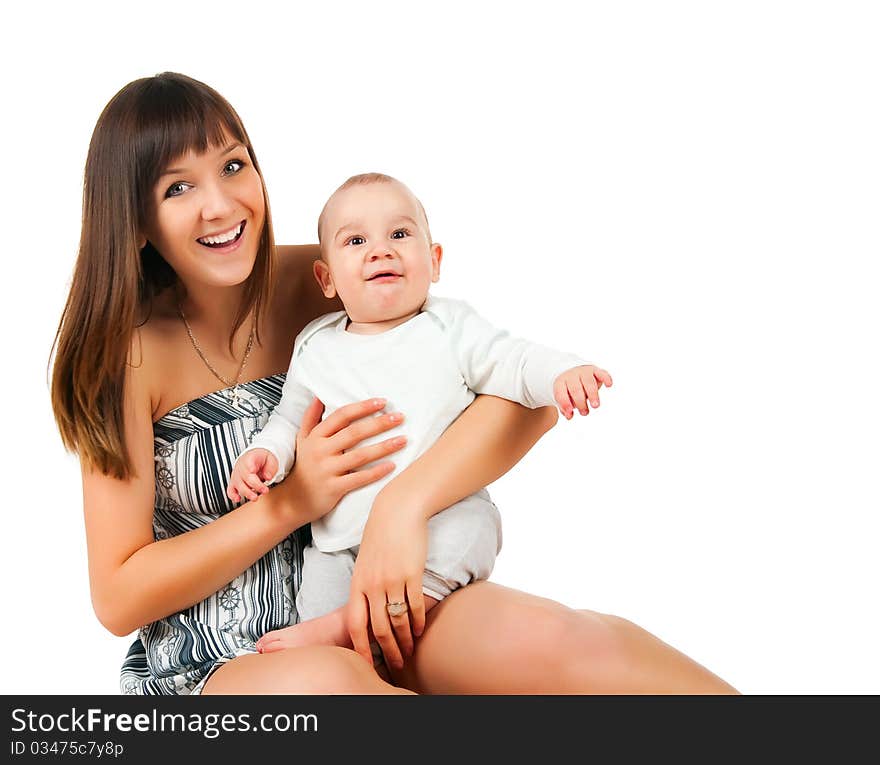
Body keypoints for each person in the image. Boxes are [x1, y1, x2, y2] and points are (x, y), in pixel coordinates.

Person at [51, 71, 738, 694]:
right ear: (137, 219)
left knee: (560, 641)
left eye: (234, 165)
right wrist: (291, 503)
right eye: (179, 187)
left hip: (382, 595)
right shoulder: (125, 357)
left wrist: (403, 506)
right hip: (223, 661)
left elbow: (517, 397)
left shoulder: (323, 278)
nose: (221, 204)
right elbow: (117, 594)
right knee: (337, 688)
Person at [227, 172, 614, 666]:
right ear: (327, 280)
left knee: (470, 529)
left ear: (433, 262)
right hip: (337, 539)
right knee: (318, 584)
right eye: (356, 240)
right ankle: (339, 639)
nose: (380, 251)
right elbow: (289, 419)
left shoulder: (449, 328)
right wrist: (264, 456)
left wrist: (562, 372)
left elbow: (513, 362)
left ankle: (349, 626)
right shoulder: (316, 345)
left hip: (437, 517)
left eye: (400, 234)